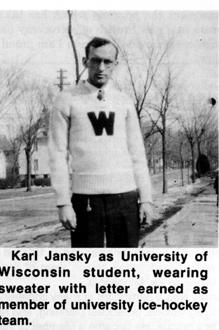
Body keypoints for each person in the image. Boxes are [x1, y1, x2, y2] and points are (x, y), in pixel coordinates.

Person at [48, 37, 153, 247]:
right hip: (86, 199)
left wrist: (147, 199)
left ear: (116, 64)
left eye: (108, 62)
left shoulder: (124, 101)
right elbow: (57, 155)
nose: (101, 68)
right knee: (86, 269)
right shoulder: (66, 99)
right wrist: (63, 202)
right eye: (95, 61)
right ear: (85, 61)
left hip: (125, 197)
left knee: (125, 268)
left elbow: (137, 153)